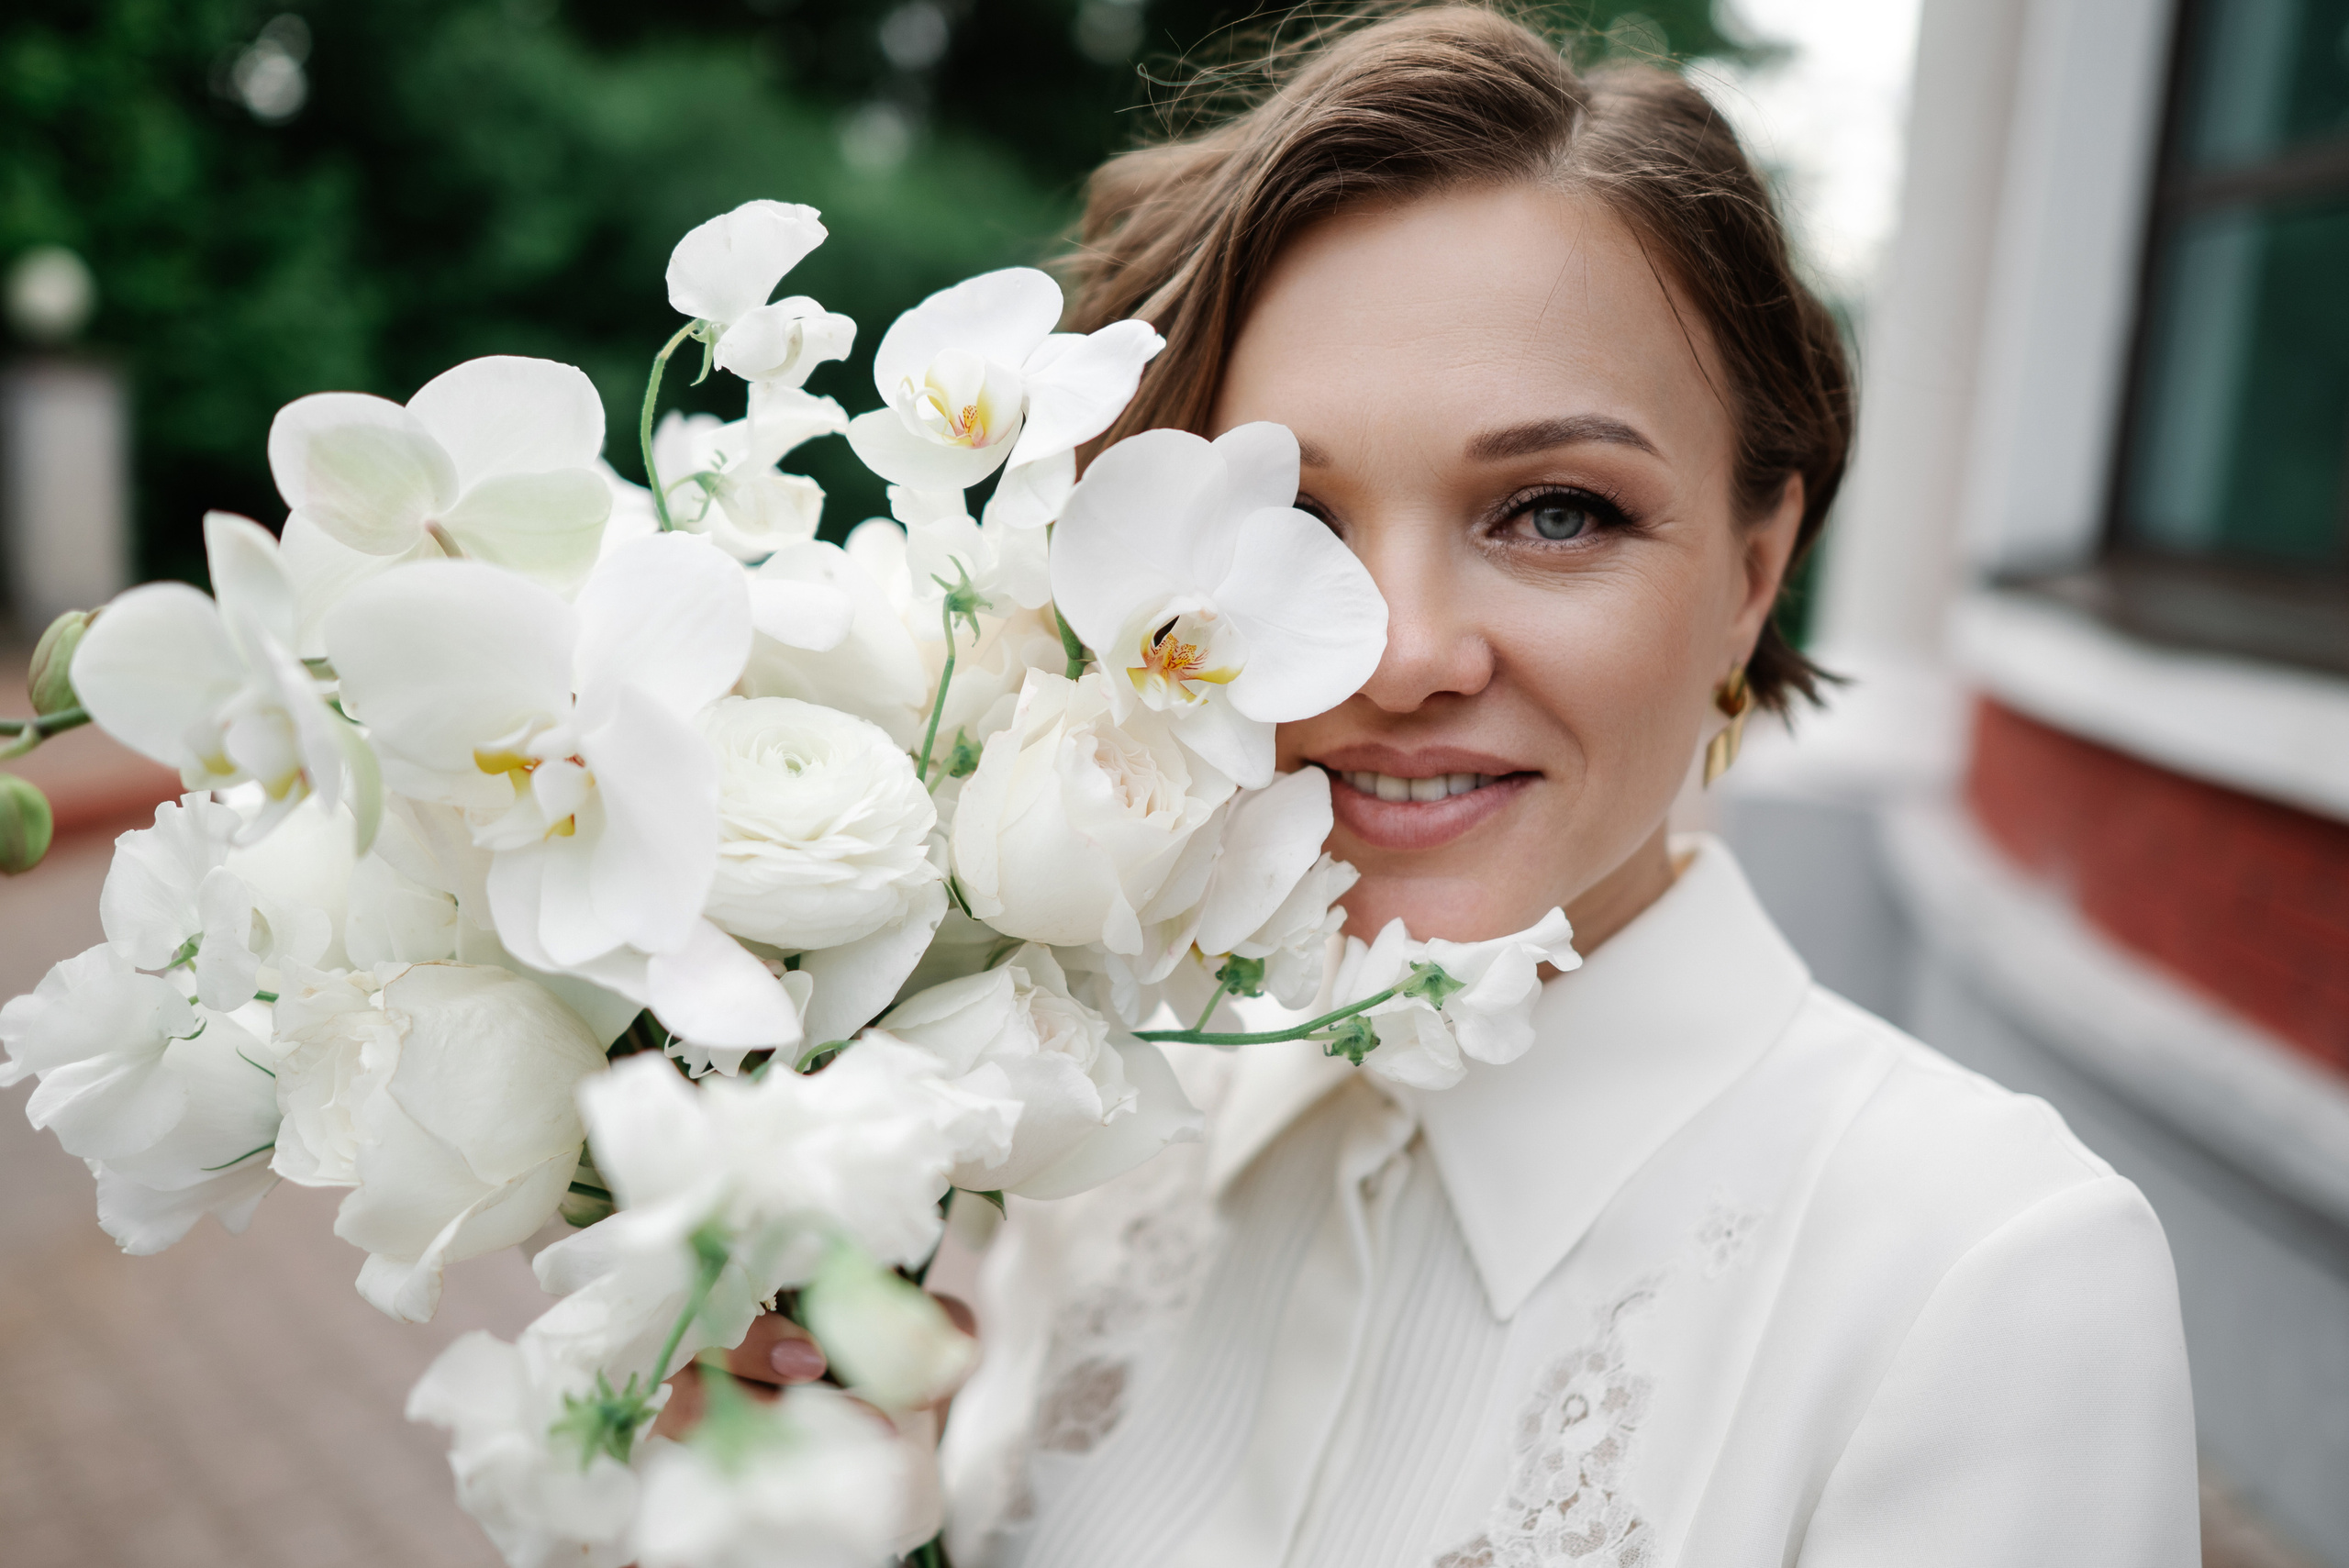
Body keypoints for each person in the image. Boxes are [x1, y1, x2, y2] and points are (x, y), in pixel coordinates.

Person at [722, 8, 2201, 1564]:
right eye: (1293, 514)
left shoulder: (1988, 1280)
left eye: (1556, 512)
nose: (1405, 651)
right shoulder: (1079, 1105)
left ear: (1756, 574)